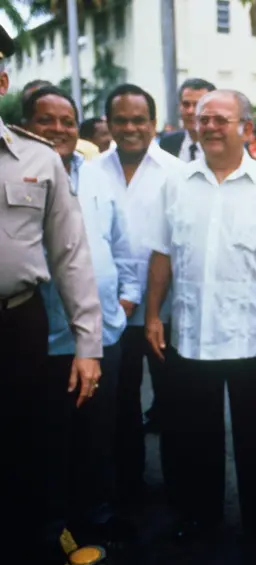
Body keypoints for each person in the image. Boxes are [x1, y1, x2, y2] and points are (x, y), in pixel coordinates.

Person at [145, 89, 256, 547]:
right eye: (203, 119)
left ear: (246, 128)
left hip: (251, 338)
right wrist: (154, 314)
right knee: (195, 437)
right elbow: (162, 254)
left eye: (221, 119)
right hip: (192, 335)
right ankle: (201, 516)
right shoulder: (176, 184)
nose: (210, 126)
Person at [0, 25, 103, 563]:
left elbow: (71, 256)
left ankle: (27, 544)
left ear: (2, 80)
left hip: (17, 323)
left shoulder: (37, 160)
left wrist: (88, 345)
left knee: (23, 446)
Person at [24, 86, 140, 552]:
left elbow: (123, 246)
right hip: (44, 339)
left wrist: (125, 302)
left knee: (98, 432)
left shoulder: (97, 177)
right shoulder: (17, 173)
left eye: (67, 121)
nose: (58, 130)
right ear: (26, 127)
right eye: (45, 120)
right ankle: (53, 525)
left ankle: (98, 512)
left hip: (102, 334)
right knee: (50, 436)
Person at [93, 83, 184, 503]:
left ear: (153, 123)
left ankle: (179, 493)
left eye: (138, 120)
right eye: (121, 120)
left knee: (172, 400)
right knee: (119, 402)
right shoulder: (91, 171)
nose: (130, 128)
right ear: (108, 124)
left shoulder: (177, 173)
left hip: (165, 311)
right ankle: (128, 488)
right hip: (110, 312)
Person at [159, 78, 217, 161]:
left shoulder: (225, 146)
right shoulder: (168, 142)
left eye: (198, 105)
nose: (190, 111)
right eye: (186, 104)